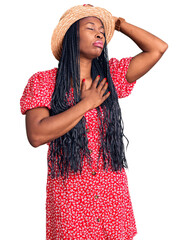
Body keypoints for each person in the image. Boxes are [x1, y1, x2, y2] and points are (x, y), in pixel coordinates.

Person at [20, 4, 168, 240]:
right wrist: (86, 103)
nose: (99, 34)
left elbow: (157, 49)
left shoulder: (110, 77)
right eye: (91, 28)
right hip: (71, 201)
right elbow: (36, 135)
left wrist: (118, 24)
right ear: (71, 36)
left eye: (102, 30)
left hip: (112, 197)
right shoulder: (44, 82)